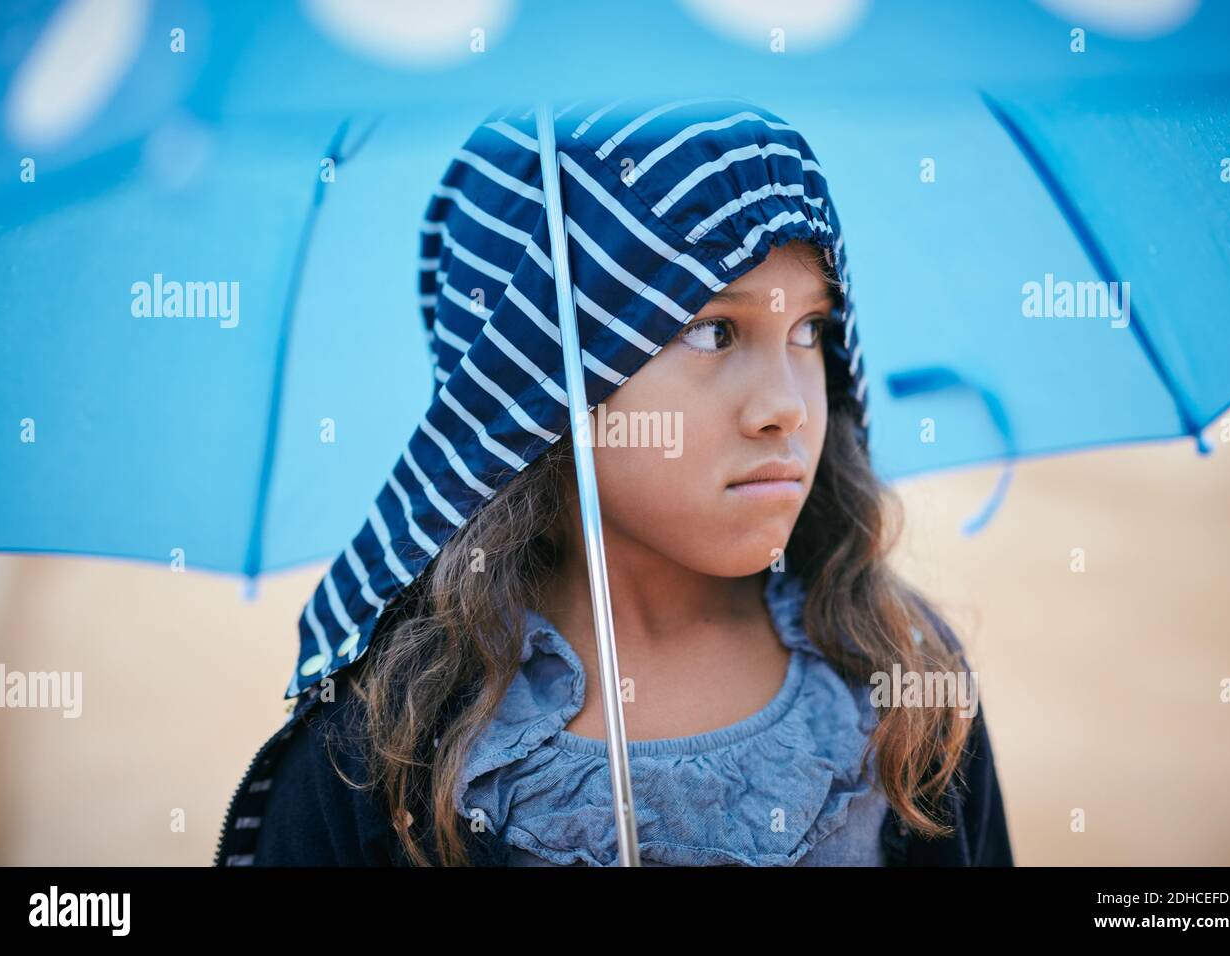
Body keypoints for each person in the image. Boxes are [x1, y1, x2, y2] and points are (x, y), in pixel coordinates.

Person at [214, 97, 1013, 868]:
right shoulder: (387, 742)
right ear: (537, 381)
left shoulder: (899, 680)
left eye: (811, 330)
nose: (785, 409)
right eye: (712, 330)